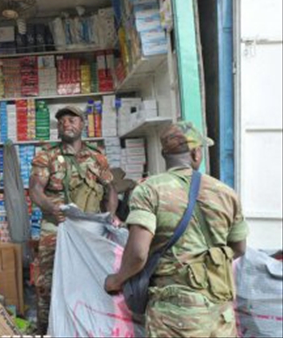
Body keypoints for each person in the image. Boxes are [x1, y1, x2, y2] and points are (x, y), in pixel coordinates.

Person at [104, 121, 248, 337]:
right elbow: (239, 247)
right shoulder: (226, 193)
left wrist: (115, 280)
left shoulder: (149, 190)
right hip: (220, 314)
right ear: (196, 153)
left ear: (164, 155)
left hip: (175, 316)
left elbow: (138, 254)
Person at [29, 105, 119, 334]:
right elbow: (35, 190)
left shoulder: (97, 157)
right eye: (61, 121)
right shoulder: (46, 155)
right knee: (48, 284)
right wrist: (51, 207)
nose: (66, 124)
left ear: (82, 124)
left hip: (90, 228)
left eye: (72, 119)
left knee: (91, 280)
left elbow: (111, 190)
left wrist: (111, 215)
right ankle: (45, 329)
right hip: (56, 226)